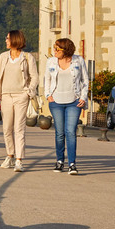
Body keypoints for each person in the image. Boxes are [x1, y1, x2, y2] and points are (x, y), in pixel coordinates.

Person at [0, 30, 38, 172]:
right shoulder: (3, 56)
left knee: (19, 128)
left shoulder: (27, 57)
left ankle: (19, 160)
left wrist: (28, 91)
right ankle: (10, 155)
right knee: (7, 128)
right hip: (6, 95)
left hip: (21, 96)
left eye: (7, 38)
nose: (6, 41)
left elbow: (34, 76)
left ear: (15, 40)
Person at [44, 38, 89, 175]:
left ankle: (72, 164)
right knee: (59, 133)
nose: (55, 51)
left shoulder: (78, 61)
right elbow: (47, 79)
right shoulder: (51, 61)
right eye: (54, 48)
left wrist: (83, 97)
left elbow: (85, 80)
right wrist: (47, 95)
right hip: (56, 101)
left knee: (70, 132)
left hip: (74, 102)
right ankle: (59, 161)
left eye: (58, 49)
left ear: (66, 50)